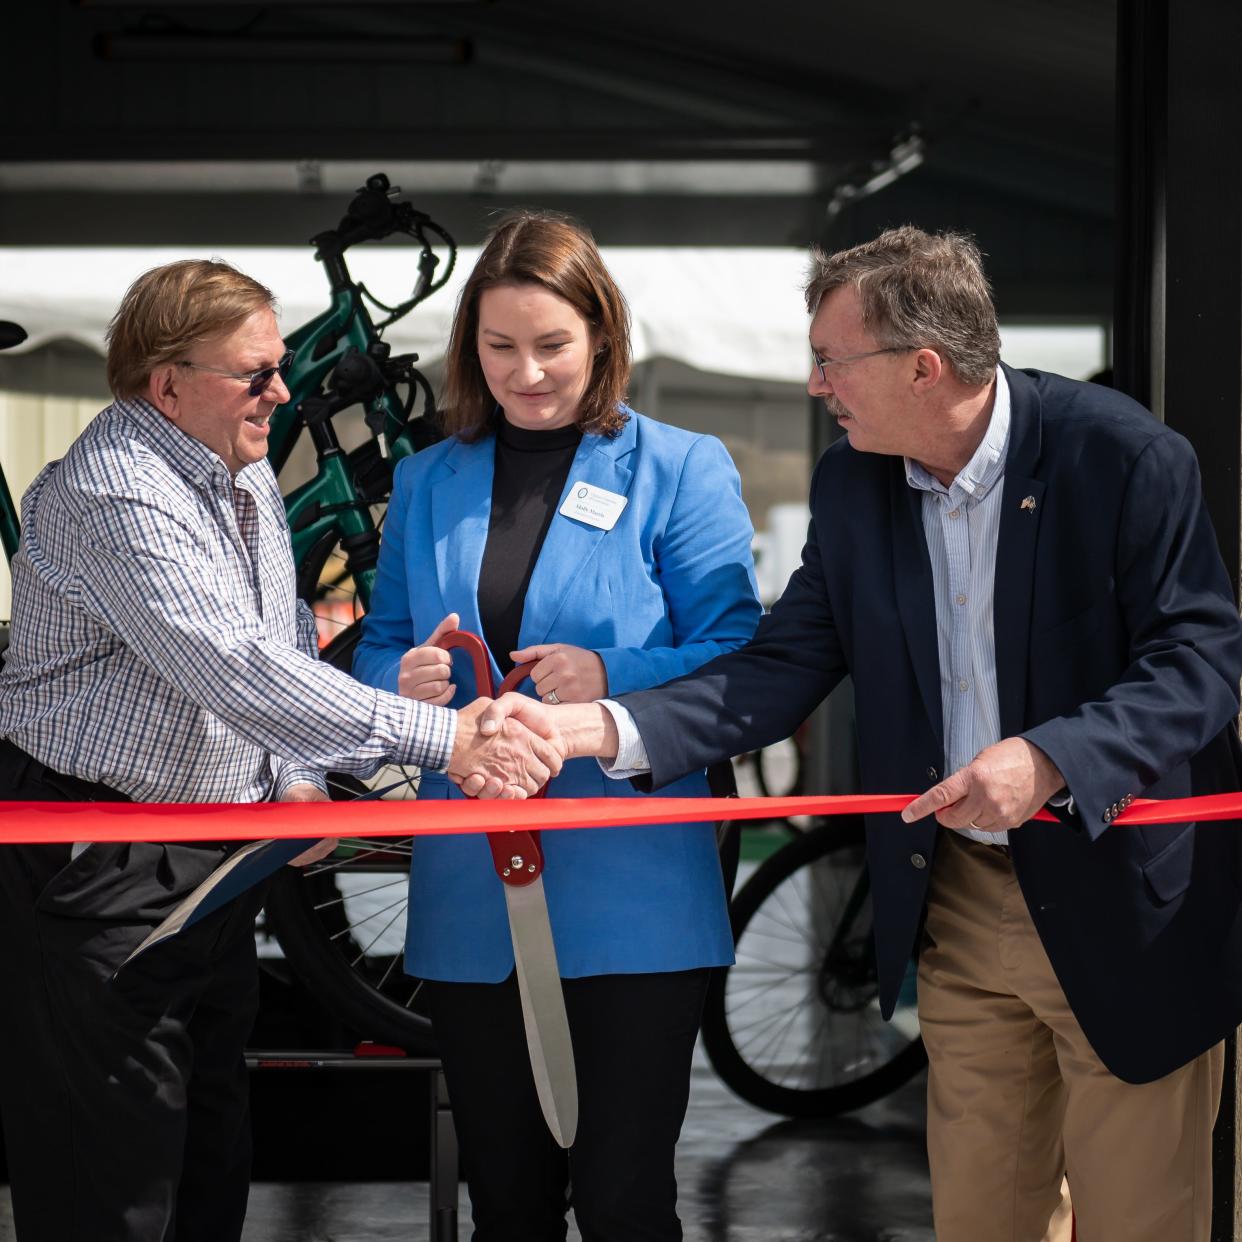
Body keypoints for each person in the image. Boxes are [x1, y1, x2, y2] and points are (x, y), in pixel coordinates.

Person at [481, 226, 1242, 1242]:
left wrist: (1053, 754)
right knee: (981, 1220)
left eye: (833, 361)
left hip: (1125, 899)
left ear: (924, 367)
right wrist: (594, 728)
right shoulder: (855, 484)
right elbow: (777, 669)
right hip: (961, 902)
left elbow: (1201, 662)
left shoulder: (1125, 457)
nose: (815, 387)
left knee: (1140, 1220)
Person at [0, 259, 560, 1242]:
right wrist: (447, 739)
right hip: (104, 863)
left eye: (278, 365)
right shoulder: (115, 493)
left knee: (209, 1156)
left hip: (216, 859)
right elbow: (234, 670)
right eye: (254, 372)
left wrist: (296, 783)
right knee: (116, 1180)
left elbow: (280, 631)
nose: (281, 390)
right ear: (164, 383)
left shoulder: (240, 466)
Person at [353, 211, 762, 1242]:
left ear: (602, 339)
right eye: (499, 347)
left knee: (626, 1203)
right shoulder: (424, 480)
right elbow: (371, 653)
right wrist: (402, 680)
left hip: (635, 898)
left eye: (551, 345)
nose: (525, 372)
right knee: (510, 1205)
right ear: (468, 348)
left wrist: (609, 675)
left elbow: (742, 657)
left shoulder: (682, 467)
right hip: (473, 893)